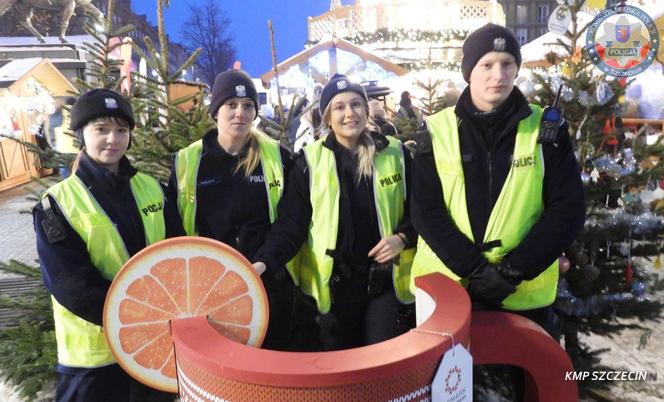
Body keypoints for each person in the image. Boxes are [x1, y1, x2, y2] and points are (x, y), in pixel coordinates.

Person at [409, 24, 585, 338]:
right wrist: (475, 270)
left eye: (507, 64)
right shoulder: (435, 131)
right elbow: (426, 211)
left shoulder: (546, 130)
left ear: (517, 69)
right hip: (451, 291)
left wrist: (512, 271)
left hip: (525, 295)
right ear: (469, 72)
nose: (498, 75)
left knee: (525, 382)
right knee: (453, 384)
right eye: (487, 65)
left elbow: (567, 209)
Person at [33, 88, 183, 402]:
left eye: (121, 130)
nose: (112, 139)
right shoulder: (57, 204)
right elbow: (70, 286)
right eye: (101, 129)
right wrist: (138, 318)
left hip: (152, 350)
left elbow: (178, 256)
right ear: (81, 135)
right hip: (94, 361)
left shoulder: (153, 189)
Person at [252, 73, 417, 351]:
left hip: (384, 283)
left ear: (366, 110)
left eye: (355, 105)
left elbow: (422, 211)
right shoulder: (309, 162)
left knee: (381, 364)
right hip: (334, 291)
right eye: (339, 107)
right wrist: (261, 263)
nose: (349, 113)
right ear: (327, 117)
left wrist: (402, 238)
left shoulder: (396, 155)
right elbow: (291, 225)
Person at [167, 69, 294, 350]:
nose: (240, 113)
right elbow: (175, 226)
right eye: (231, 105)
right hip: (211, 287)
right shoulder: (188, 161)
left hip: (267, 279)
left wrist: (263, 263)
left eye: (248, 106)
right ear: (215, 111)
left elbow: (291, 219)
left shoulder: (276, 156)